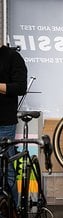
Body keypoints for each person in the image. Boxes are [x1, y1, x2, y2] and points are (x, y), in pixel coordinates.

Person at [0, 44, 28, 206]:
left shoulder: (12, 56)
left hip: (4, 123)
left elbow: (20, 87)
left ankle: (14, 213)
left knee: (6, 169)